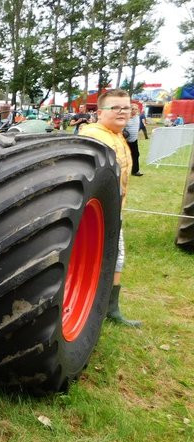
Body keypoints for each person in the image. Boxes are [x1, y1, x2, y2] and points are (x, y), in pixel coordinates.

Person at [80, 89, 141, 327]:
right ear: (100, 111)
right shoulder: (96, 137)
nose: (122, 112)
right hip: (95, 213)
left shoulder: (116, 135)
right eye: (116, 107)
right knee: (107, 256)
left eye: (126, 107)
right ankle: (102, 307)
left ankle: (110, 308)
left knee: (116, 257)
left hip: (113, 209)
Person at [125, 103, 142, 176]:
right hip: (126, 140)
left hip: (134, 140)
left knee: (136, 155)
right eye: (132, 109)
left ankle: (135, 171)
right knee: (125, 155)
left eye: (136, 109)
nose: (134, 111)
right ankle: (124, 170)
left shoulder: (138, 117)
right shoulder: (126, 118)